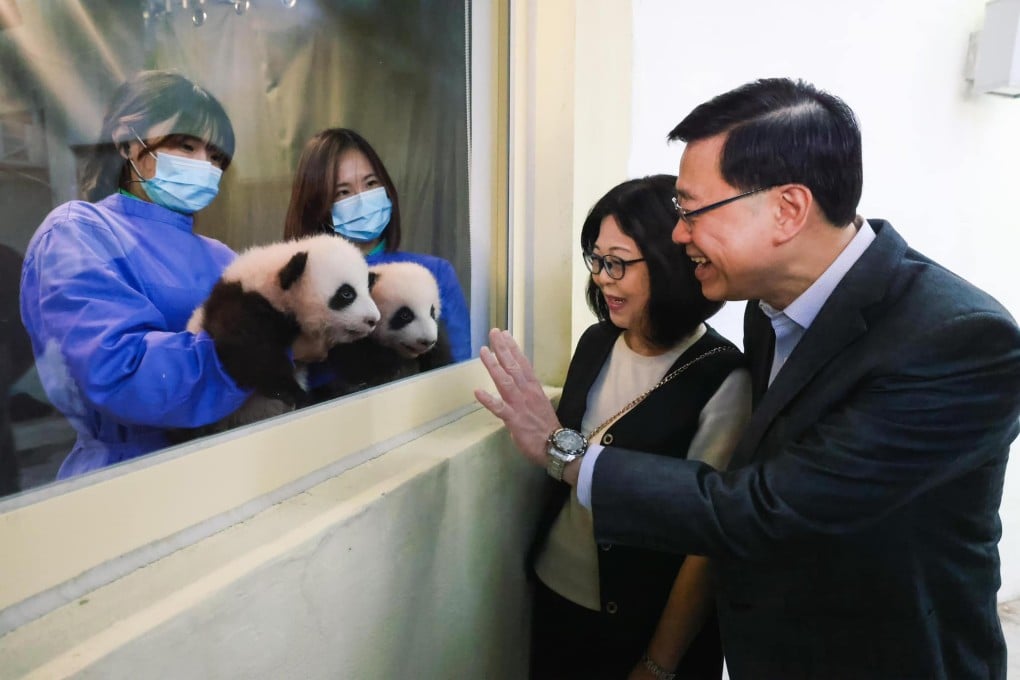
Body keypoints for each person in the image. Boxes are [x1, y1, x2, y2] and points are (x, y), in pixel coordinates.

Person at [476, 78, 1020, 680]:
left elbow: (770, 508)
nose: (678, 234)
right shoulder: (767, 314)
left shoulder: (958, 338)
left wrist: (567, 455)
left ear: (788, 210)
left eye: (692, 211)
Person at [528, 175, 749, 680]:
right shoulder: (596, 342)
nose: (601, 278)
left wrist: (658, 662)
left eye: (618, 263)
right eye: (596, 260)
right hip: (555, 594)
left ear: (671, 263)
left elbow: (705, 545)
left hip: (639, 623)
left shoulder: (721, 375)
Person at [19, 70, 252, 479]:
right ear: (128, 141)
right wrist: (268, 352)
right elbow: (120, 372)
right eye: (186, 145)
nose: (205, 165)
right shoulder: (78, 233)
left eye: (216, 157)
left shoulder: (222, 257)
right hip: (126, 476)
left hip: (225, 465)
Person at [282, 128, 471, 362]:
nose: (362, 198)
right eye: (343, 192)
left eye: (371, 183)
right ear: (317, 206)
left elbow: (461, 369)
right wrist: (296, 353)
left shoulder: (434, 273)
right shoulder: (296, 282)